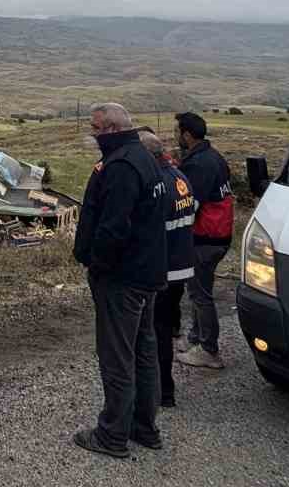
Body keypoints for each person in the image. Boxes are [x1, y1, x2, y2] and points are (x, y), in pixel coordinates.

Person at [71, 103, 169, 458]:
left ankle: (112, 434)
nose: (93, 134)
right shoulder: (143, 157)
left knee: (117, 356)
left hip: (122, 278)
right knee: (143, 351)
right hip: (146, 272)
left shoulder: (122, 167)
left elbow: (113, 228)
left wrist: (97, 265)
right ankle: (145, 427)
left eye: (96, 128)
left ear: (111, 128)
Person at [174, 111, 234, 371]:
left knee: (200, 294)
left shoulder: (198, 164)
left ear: (186, 134)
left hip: (205, 238)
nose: (176, 136)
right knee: (199, 290)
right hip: (218, 236)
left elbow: (189, 205)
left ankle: (209, 350)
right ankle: (196, 339)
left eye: (178, 132)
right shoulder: (214, 157)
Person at [146, 130, 196, 408]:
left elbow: (149, 228)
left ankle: (162, 389)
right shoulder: (181, 177)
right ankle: (165, 389)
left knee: (157, 331)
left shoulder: (159, 183)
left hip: (163, 270)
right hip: (182, 265)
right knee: (165, 327)